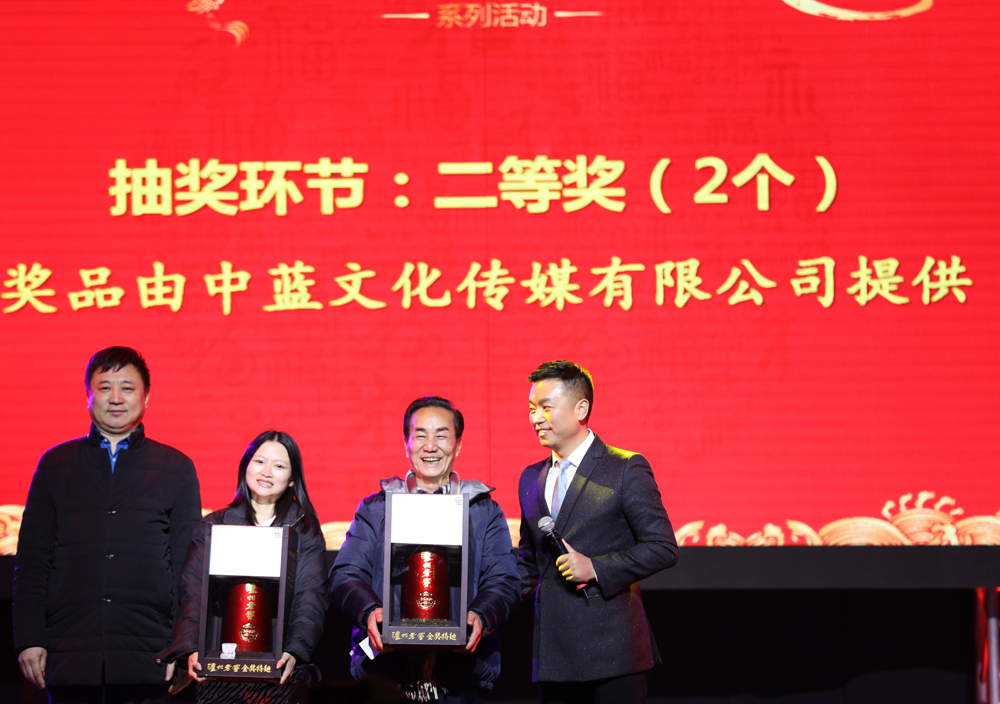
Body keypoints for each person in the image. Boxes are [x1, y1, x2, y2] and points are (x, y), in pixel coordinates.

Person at [13, 346, 203, 704]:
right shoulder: (55, 465)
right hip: (70, 650)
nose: (116, 398)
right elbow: (33, 562)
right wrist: (29, 639)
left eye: (127, 388)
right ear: (88, 395)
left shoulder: (176, 467)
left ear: (146, 396)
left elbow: (187, 568)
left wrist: (185, 646)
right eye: (104, 387)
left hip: (149, 652)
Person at [329, 396, 520, 703]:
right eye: (420, 436)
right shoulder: (376, 508)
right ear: (406, 444)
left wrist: (481, 616)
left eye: (441, 436)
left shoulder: (483, 511)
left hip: (462, 677)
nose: (430, 446)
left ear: (458, 445)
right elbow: (345, 574)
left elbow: (505, 580)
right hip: (386, 678)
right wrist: (369, 611)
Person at [517, 360, 679, 704]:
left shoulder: (624, 467)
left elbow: (663, 547)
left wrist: (596, 568)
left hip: (614, 654)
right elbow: (528, 565)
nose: (536, 418)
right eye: (531, 409)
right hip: (554, 656)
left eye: (546, 407)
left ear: (581, 408)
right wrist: (479, 607)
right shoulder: (531, 478)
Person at [157, 430, 329, 703]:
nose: (266, 472)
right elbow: (193, 594)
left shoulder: (304, 529)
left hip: (281, 673)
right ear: (245, 466)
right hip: (220, 675)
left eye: (279, 465)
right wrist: (190, 648)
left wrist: (295, 650)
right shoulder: (213, 525)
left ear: (292, 478)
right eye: (259, 461)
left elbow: (311, 596)